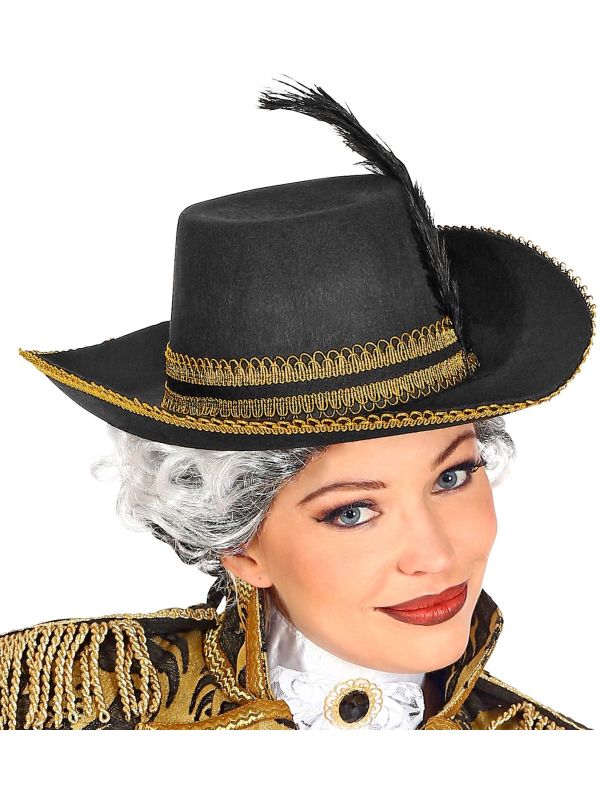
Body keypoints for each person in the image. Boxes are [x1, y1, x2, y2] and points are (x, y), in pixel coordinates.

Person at [0, 78, 594, 730]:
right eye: (353, 512)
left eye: (452, 476)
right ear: (240, 543)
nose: (435, 555)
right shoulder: (57, 701)